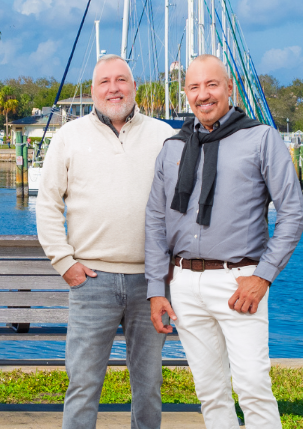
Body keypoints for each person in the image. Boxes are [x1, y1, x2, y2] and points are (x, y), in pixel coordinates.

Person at [146, 55, 303, 429]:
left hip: (240, 283)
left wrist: (263, 276)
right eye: (194, 87)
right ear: (186, 93)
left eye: (212, 84)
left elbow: (293, 213)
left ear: (229, 88)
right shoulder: (173, 147)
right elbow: (155, 221)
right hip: (183, 284)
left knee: (252, 386)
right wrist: (157, 289)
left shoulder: (261, 138)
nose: (203, 95)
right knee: (210, 392)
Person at [36, 54, 176, 429]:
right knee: (83, 384)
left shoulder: (164, 135)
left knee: (148, 386)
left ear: (134, 87)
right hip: (91, 281)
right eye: (105, 82)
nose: (114, 88)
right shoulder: (69, 137)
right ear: (93, 91)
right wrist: (65, 264)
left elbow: (182, 204)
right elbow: (47, 204)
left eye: (121, 80)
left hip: (150, 283)